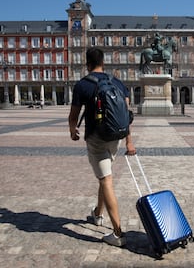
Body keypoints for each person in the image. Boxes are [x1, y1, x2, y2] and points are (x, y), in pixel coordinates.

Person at [68, 47, 136, 247]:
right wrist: (129, 141)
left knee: (106, 180)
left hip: (96, 138)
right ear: (103, 63)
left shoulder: (82, 85)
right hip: (116, 137)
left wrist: (73, 131)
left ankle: (117, 234)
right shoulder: (117, 82)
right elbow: (126, 113)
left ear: (87, 64)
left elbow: (73, 116)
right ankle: (98, 214)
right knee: (104, 175)